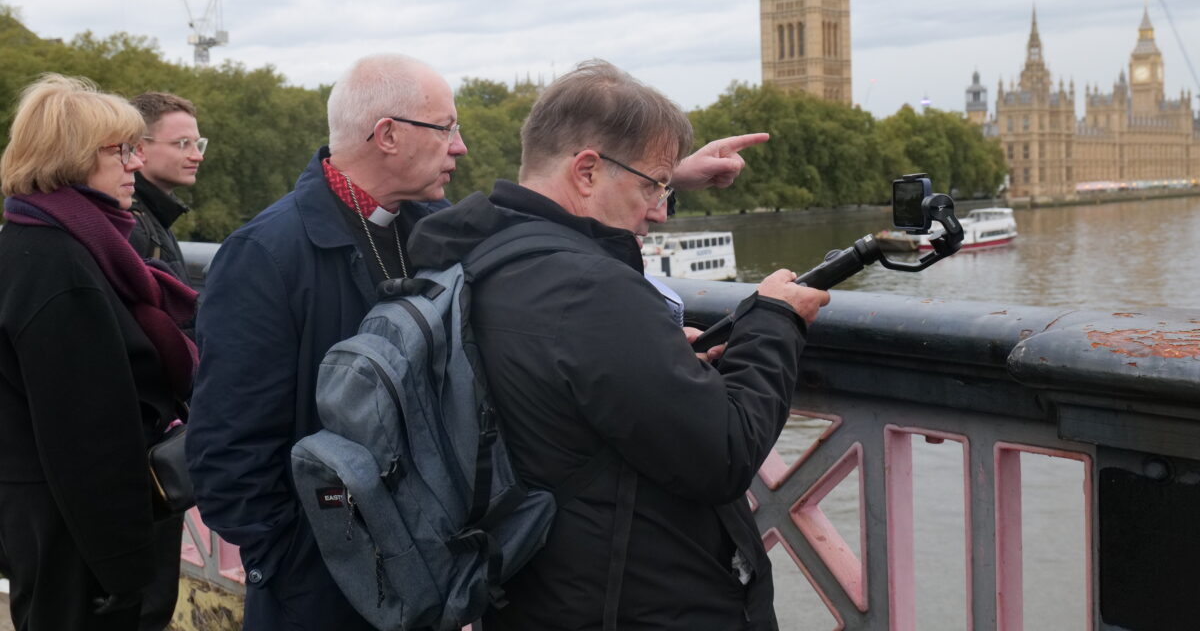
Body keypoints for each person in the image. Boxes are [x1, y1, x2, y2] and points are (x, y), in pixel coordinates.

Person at [185, 53, 770, 630]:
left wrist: (664, 176)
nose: (460, 146)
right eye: (446, 128)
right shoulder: (266, 255)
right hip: (326, 591)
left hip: (433, 577)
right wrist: (311, 568)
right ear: (387, 135)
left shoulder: (427, 225)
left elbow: (541, 205)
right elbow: (226, 458)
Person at [406, 60, 829, 630]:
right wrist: (777, 321)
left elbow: (568, 392)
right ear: (586, 172)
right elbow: (723, 455)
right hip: (634, 603)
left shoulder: (472, 258)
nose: (659, 207)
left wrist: (654, 357)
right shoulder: (590, 291)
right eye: (653, 184)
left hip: (535, 594)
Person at [0, 74, 198, 631]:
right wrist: (120, 569)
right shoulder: (59, 266)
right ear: (71, 157)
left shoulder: (54, 240)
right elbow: (85, 436)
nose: (135, 164)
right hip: (81, 543)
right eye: (122, 151)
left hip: (67, 528)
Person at [128, 92, 206, 286]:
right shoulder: (130, 225)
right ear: (139, 149)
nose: (198, 156)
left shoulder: (150, 215)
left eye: (198, 144)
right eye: (182, 144)